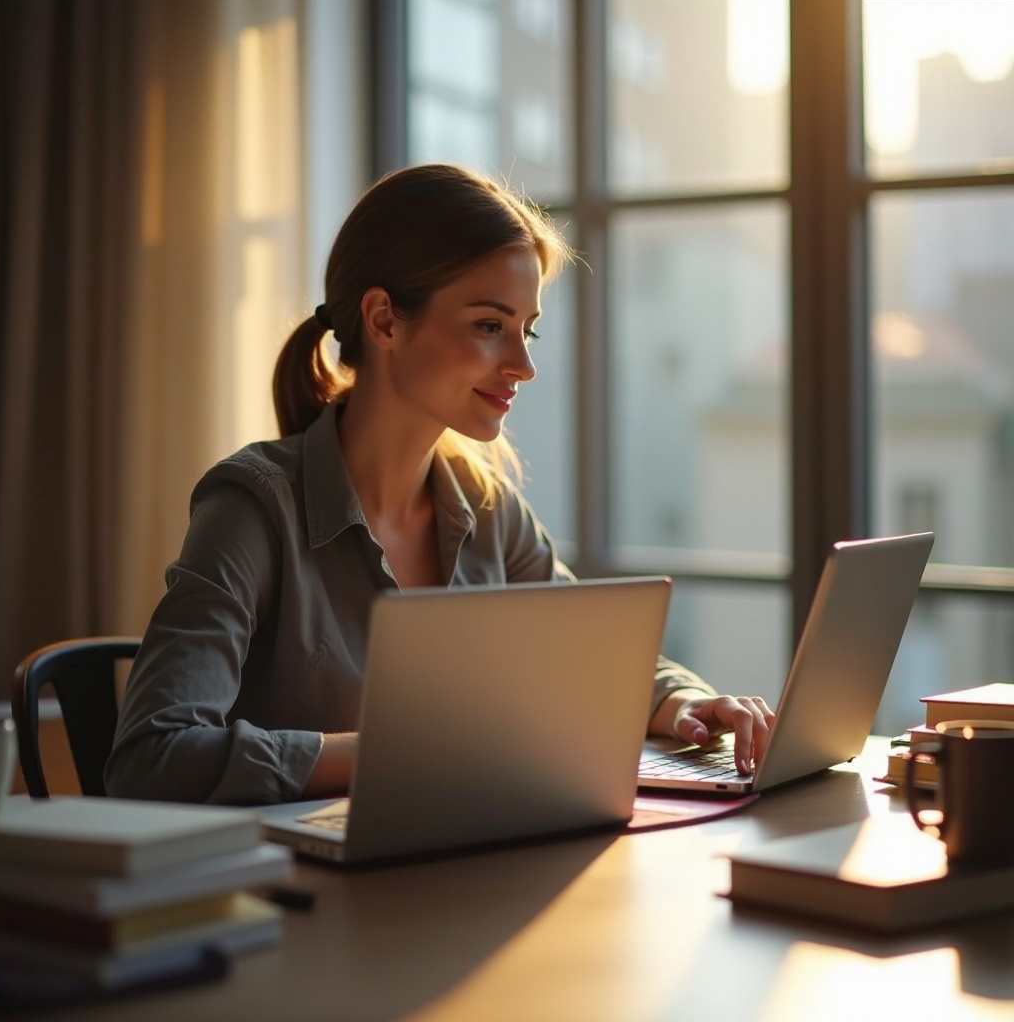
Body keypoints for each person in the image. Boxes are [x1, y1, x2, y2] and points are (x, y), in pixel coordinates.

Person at [105, 163, 774, 805]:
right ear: (384, 320)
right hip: (303, 905)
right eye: (489, 326)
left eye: (527, 330)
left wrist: (682, 702)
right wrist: (408, 755)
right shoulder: (252, 507)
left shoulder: (488, 509)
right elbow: (152, 757)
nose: (523, 365)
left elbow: (595, 661)